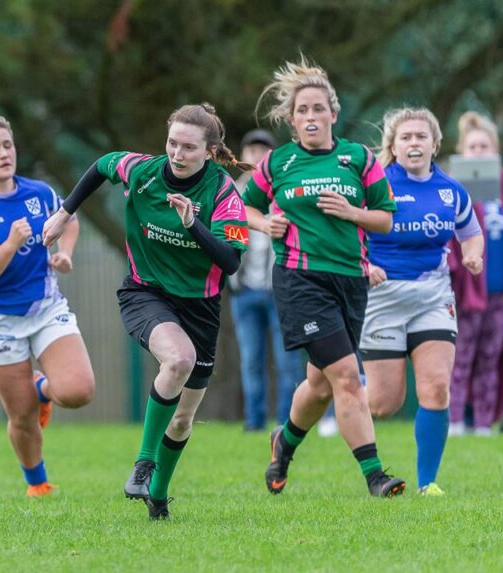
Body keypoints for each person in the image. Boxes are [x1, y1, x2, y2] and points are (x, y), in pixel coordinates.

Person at [46, 103, 251, 520]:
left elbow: (231, 261)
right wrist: (66, 211)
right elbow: (103, 165)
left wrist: (194, 223)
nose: (177, 153)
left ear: (210, 151)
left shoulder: (223, 193)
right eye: (172, 142)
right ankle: (143, 463)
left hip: (200, 308)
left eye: (189, 147)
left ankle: (158, 496)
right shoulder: (142, 171)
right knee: (177, 360)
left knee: (182, 422)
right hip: (145, 292)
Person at [243, 58, 404, 498]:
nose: (311, 117)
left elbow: (386, 221)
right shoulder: (278, 162)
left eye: (318, 109)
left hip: (351, 282)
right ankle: (375, 476)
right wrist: (263, 225)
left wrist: (354, 213)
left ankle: (283, 445)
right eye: (302, 111)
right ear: (292, 121)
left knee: (319, 385)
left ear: (334, 114)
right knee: (348, 377)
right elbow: (241, 209)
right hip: (300, 280)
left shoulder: (359, 158)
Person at [0, 116, 95, 498]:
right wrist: (9, 246)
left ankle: (43, 388)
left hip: (45, 308)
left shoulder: (40, 193)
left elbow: (69, 220)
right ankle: (38, 484)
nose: (3, 154)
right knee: (23, 417)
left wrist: (64, 252)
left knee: (78, 391)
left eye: (7, 145)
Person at [362, 107, 483, 496]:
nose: (414, 143)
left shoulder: (451, 190)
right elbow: (348, 232)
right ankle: (338, 390)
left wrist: (472, 254)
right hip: (383, 297)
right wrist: (363, 264)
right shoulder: (377, 185)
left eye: (421, 136)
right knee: (384, 403)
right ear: (393, 146)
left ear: (435, 143)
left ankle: (427, 483)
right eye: (406, 137)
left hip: (433, 296)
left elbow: (471, 232)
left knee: (435, 388)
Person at [228, 128, 303, 432]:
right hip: (244, 291)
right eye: (251, 150)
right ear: (242, 156)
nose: (257, 156)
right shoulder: (230, 193)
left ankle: (288, 423)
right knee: (250, 361)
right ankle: (254, 423)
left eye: (264, 150)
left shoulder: (288, 190)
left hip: (281, 290)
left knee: (288, 362)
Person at [448, 111, 503, 437]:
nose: (479, 152)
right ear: (462, 150)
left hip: (500, 295)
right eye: (473, 146)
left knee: (490, 359)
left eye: (485, 145)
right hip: (465, 293)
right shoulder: (454, 189)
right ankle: (454, 422)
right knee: (460, 359)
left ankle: (485, 424)